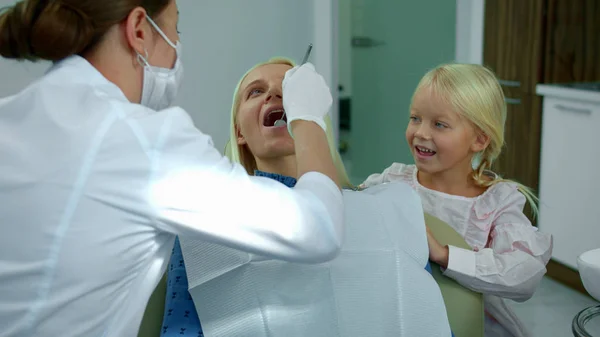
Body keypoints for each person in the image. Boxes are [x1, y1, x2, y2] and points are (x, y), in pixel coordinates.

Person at [0, 1, 346, 336]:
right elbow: (319, 227)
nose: (177, 46)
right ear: (138, 30)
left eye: (287, 90)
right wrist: (308, 116)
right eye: (175, 28)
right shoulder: (148, 143)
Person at [162, 57, 451, 337]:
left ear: (313, 117)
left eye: (291, 89)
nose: (275, 93)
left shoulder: (387, 209)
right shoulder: (207, 218)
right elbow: (181, 327)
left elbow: (422, 316)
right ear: (240, 132)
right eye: (256, 91)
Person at [360, 63, 553, 337]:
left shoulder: (496, 203)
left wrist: (444, 255)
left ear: (479, 139)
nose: (421, 133)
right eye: (415, 118)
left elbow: (524, 277)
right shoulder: (391, 182)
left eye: (439, 124)